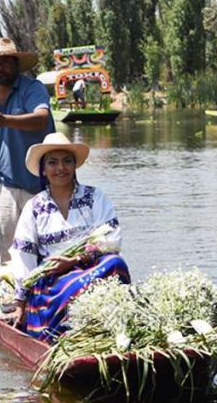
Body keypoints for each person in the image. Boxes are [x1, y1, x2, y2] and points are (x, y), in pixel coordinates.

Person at [9, 132, 130, 340]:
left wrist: (76, 260)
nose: (60, 168)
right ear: (43, 170)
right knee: (71, 284)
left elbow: (112, 239)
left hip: (92, 269)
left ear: (74, 166)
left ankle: (113, 321)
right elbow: (24, 256)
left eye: (67, 161)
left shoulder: (94, 197)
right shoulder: (35, 207)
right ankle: (64, 327)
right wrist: (20, 302)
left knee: (116, 263)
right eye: (52, 163)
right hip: (53, 282)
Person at [0, 38, 55, 263]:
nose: (0, 68)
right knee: (8, 250)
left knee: (45, 246)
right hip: (7, 185)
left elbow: (41, 120)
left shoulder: (31, 89)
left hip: (43, 183)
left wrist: (5, 120)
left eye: (5, 62)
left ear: (16, 64)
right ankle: (8, 293)